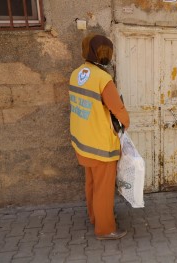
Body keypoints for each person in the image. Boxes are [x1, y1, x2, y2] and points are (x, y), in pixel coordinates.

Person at [69, 34, 130, 240]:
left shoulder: (76, 74)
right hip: (101, 144)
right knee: (104, 190)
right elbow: (118, 109)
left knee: (92, 184)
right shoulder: (103, 79)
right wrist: (126, 123)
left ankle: (95, 216)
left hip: (82, 141)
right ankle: (105, 229)